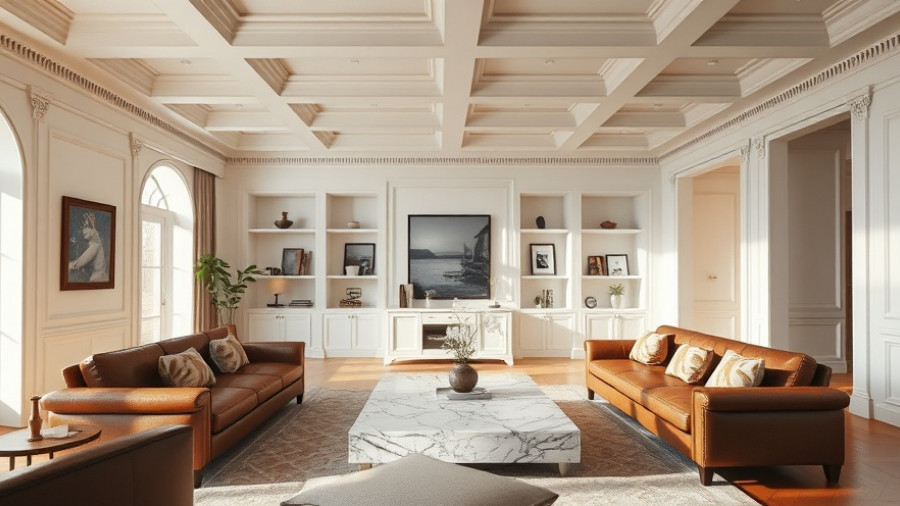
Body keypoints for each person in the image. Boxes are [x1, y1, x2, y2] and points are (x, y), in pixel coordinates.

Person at [69, 211, 108, 282]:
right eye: (83, 228)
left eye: (86, 227)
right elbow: (78, 262)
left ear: (93, 228)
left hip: (98, 279)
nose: (84, 231)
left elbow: (77, 264)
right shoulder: (95, 244)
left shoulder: (95, 245)